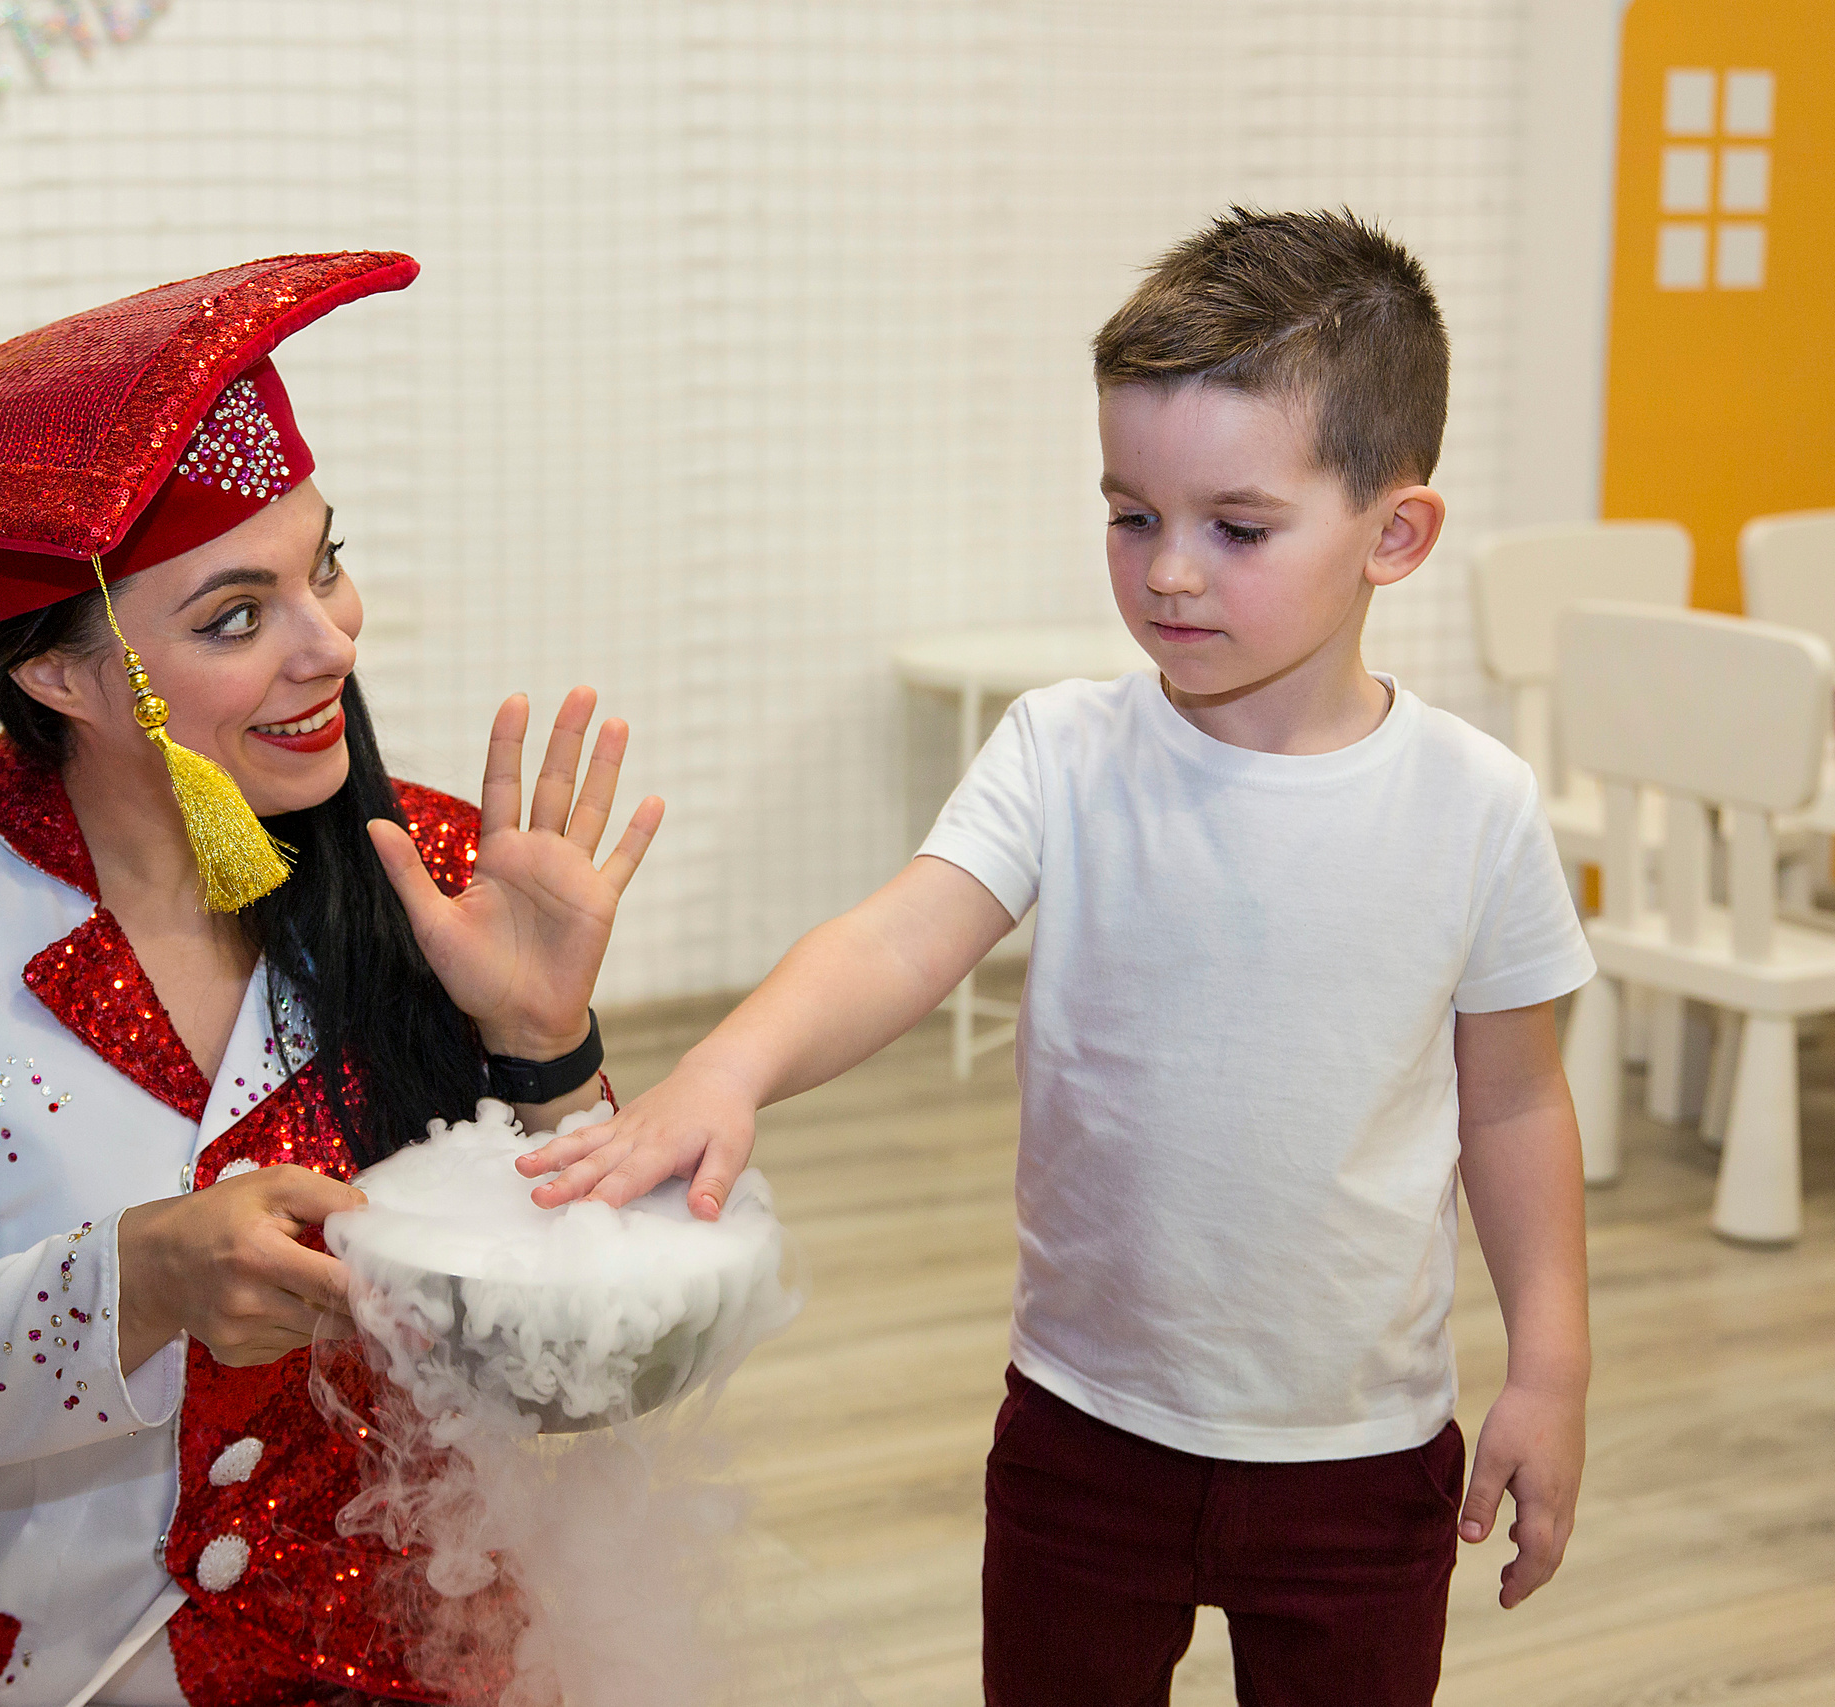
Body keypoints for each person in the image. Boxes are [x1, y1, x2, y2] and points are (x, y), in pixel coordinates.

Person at [519, 209, 1596, 1705]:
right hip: (1086, 1434)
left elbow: (1516, 1104)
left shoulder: (1473, 805)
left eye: (1236, 526)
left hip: (1358, 1459)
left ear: (1392, 535)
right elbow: (901, 936)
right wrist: (729, 1063)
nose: (1167, 573)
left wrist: (1549, 1369)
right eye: (1129, 513)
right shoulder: (1065, 752)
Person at [0, 252, 662, 1707]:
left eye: (327, 565)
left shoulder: (433, 870)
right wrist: (144, 1275)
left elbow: (585, 1385)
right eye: (236, 618)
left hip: (423, 1662)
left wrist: (547, 1053)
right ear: (63, 678)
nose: (331, 643)